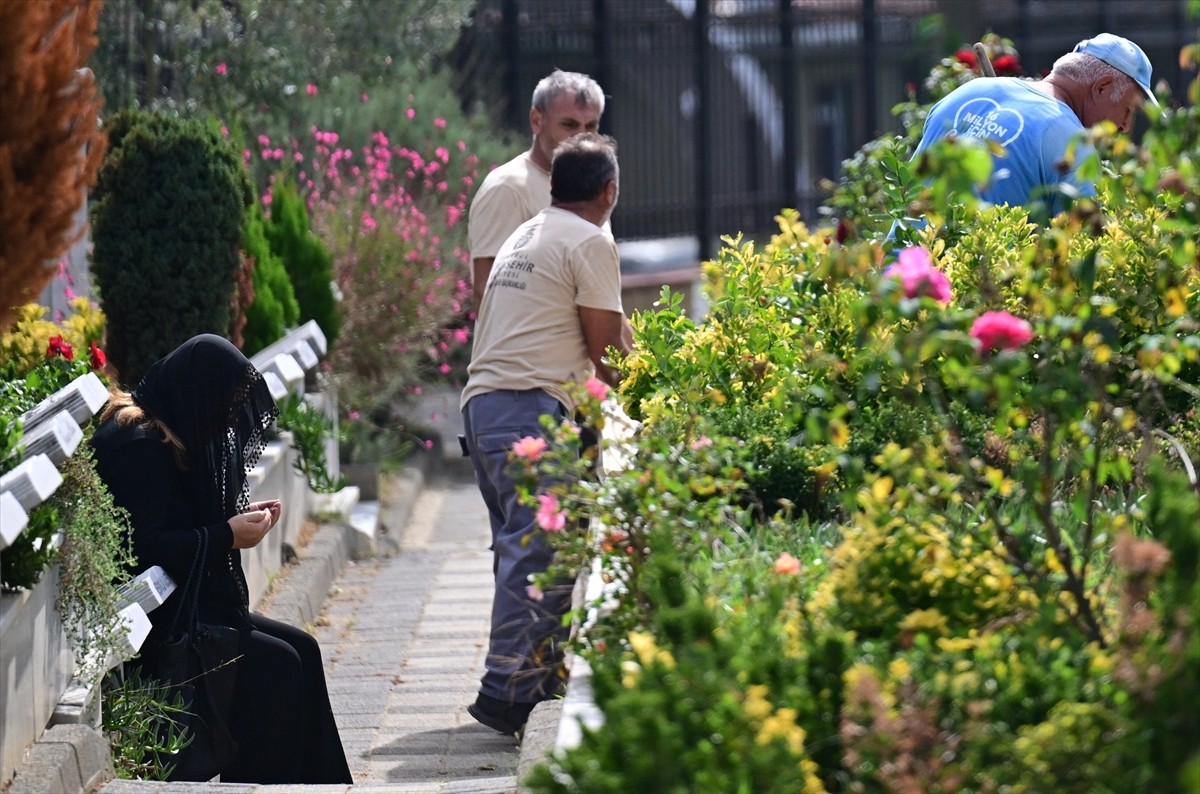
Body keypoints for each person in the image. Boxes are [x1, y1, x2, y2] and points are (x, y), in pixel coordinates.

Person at [90, 334, 352, 784]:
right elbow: (147, 547)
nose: (225, 420)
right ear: (196, 392)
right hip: (156, 626)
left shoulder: (162, 426)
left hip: (177, 607)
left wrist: (232, 526)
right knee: (278, 668)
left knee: (304, 650)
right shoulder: (140, 445)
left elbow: (175, 524)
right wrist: (226, 535)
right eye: (222, 405)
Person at [461, 133, 632, 738]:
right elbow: (608, 350)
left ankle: (538, 679)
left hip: (482, 411)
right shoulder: (589, 240)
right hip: (528, 412)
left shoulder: (527, 234)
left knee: (524, 551)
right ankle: (505, 691)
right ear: (609, 191)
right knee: (540, 556)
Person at [898, 32, 1156, 226]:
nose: (1125, 126)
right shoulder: (1073, 145)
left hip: (897, 281)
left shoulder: (964, 94)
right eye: (1129, 110)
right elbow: (1082, 255)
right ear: (1101, 87)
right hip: (971, 293)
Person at [467, 68, 606, 315]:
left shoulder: (592, 190)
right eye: (569, 125)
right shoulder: (508, 188)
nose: (582, 138)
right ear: (536, 120)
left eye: (591, 126)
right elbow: (487, 295)